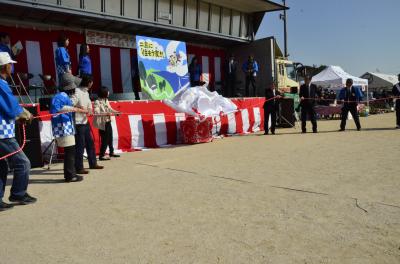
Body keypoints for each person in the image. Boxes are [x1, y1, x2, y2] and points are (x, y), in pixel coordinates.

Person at [0, 52, 37, 211]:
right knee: (23, 162)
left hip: (3, 130)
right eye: (10, 64)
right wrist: (25, 115)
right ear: (5, 66)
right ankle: (18, 193)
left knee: (1, 167)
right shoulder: (1, 84)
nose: (12, 67)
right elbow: (11, 107)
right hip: (3, 134)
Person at [51, 73, 87, 182]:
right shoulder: (59, 96)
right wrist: (77, 109)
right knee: (70, 152)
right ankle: (70, 175)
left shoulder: (63, 96)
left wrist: (75, 107)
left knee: (70, 151)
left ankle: (70, 174)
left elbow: (65, 107)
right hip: (63, 127)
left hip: (66, 126)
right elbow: (57, 109)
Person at [71, 74, 104, 174]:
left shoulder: (86, 92)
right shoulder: (77, 91)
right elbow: (71, 103)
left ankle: (93, 163)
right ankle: (79, 167)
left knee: (90, 143)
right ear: (89, 82)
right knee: (80, 146)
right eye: (92, 82)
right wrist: (81, 109)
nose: (92, 83)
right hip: (78, 122)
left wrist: (89, 109)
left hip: (85, 121)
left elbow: (89, 104)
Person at [93, 86, 121, 161]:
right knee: (105, 139)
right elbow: (96, 112)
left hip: (108, 122)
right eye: (107, 91)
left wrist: (116, 112)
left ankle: (111, 152)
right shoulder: (97, 102)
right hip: (102, 123)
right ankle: (101, 155)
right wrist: (106, 113)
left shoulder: (106, 100)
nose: (108, 93)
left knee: (110, 138)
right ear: (104, 93)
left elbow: (110, 109)